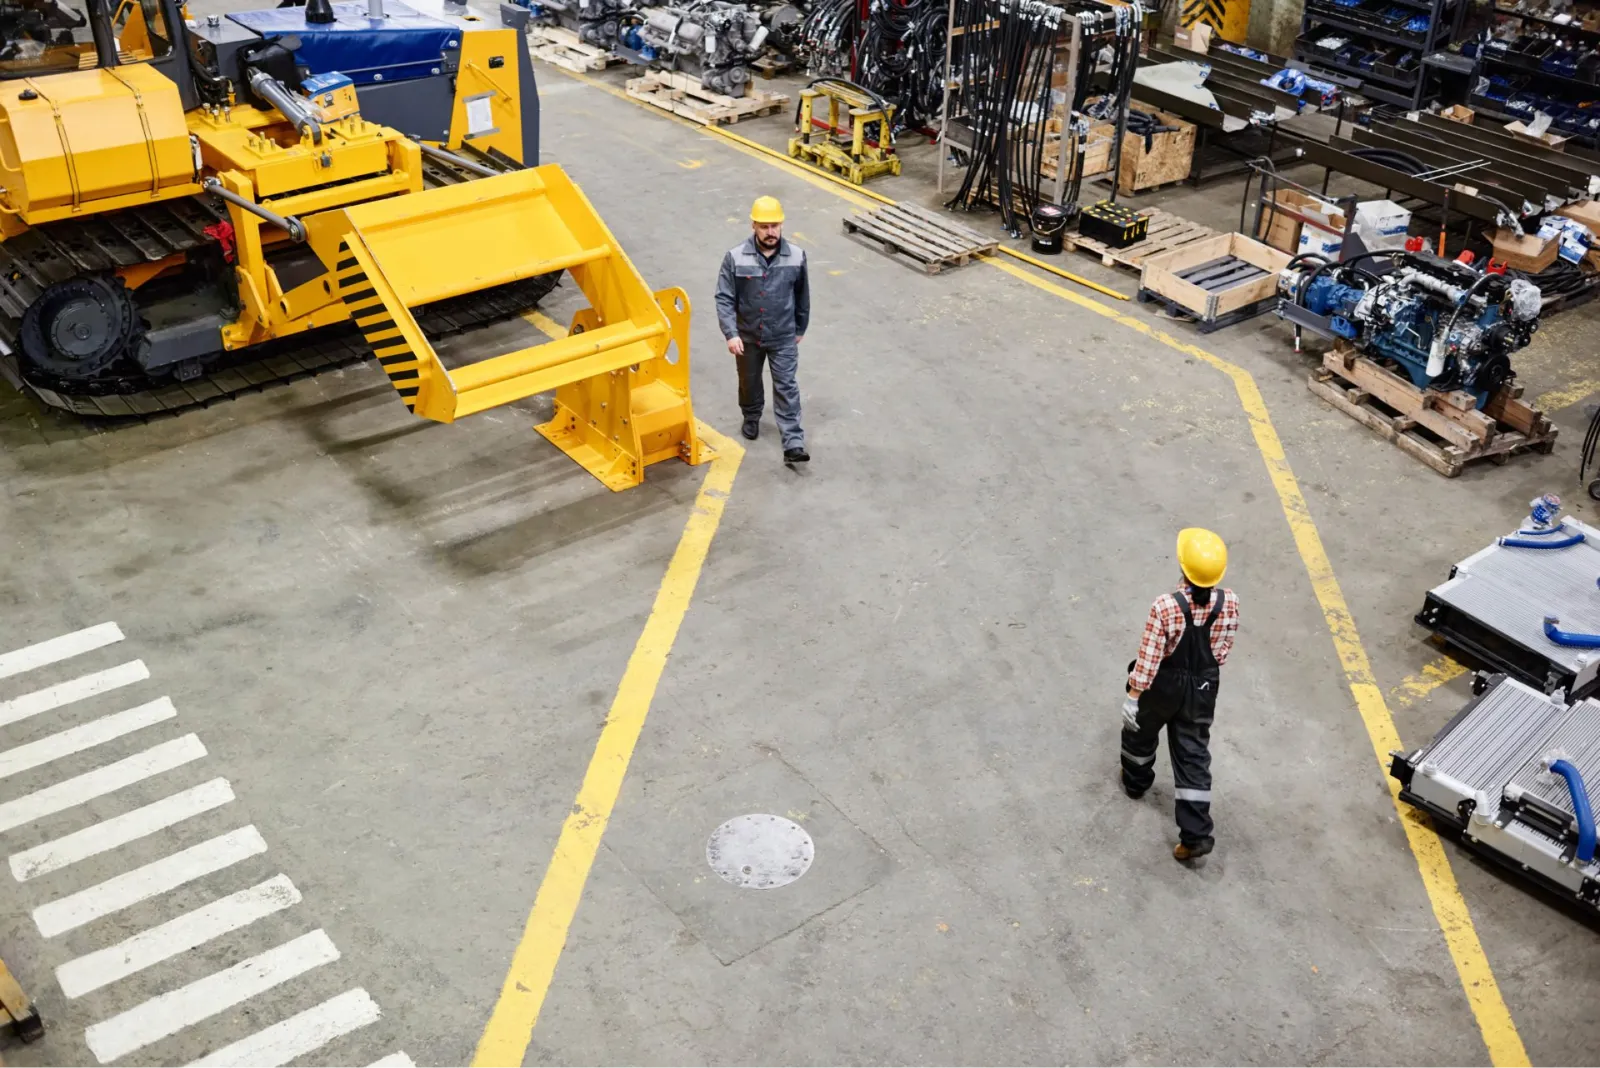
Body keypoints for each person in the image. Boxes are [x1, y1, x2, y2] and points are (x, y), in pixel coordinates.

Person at [1119, 528, 1240, 863]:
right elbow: (1222, 652)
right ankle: (1196, 834)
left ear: (1184, 569)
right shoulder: (1229, 603)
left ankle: (1135, 781)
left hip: (1163, 687)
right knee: (1193, 757)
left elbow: (1149, 659)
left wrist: (1133, 696)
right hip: (1201, 690)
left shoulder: (1165, 607)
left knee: (1139, 734)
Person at [715, 195, 811, 464]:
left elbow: (802, 294)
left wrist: (800, 326)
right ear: (754, 226)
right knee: (749, 381)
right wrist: (731, 333)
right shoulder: (735, 257)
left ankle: (793, 442)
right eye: (764, 227)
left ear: (781, 225)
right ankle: (751, 415)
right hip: (747, 336)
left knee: (786, 386)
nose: (771, 232)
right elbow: (724, 297)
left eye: (775, 226)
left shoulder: (796, 256)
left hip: (783, 335)